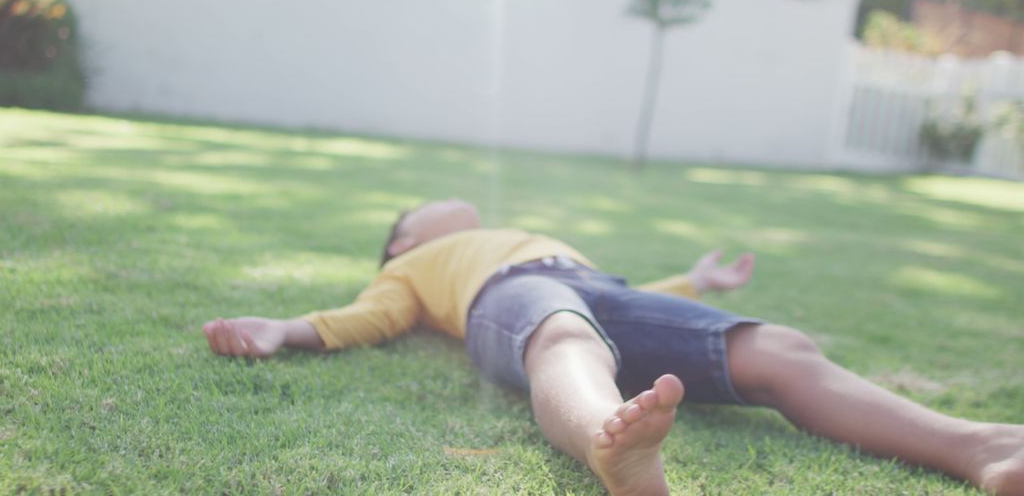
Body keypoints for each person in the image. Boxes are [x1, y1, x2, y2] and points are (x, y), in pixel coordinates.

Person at [203, 198, 1024, 495]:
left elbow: (632, 307)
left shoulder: (523, 234)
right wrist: (281, 331)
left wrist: (695, 282)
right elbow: (363, 319)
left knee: (780, 348)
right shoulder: (413, 270)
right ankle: (612, 448)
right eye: (426, 208)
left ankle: (984, 450)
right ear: (401, 243)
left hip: (602, 286)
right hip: (514, 301)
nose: (455, 206)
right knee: (561, 334)